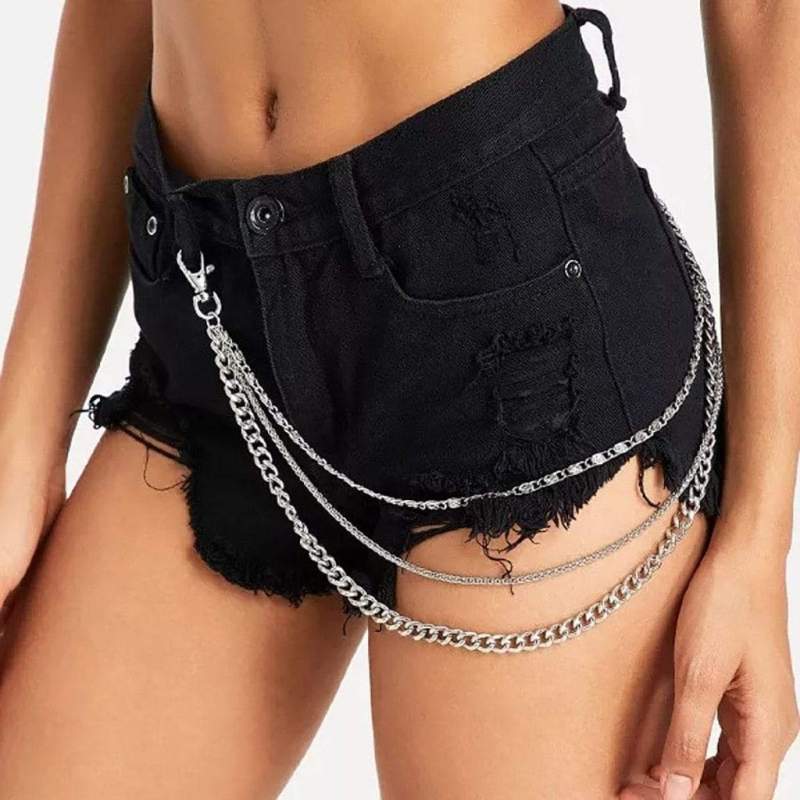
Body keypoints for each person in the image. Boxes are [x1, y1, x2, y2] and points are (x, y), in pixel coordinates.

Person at [0, 1, 797, 797]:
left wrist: (759, 541)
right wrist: (24, 436)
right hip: (211, 299)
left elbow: (763, 16)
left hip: (515, 338)